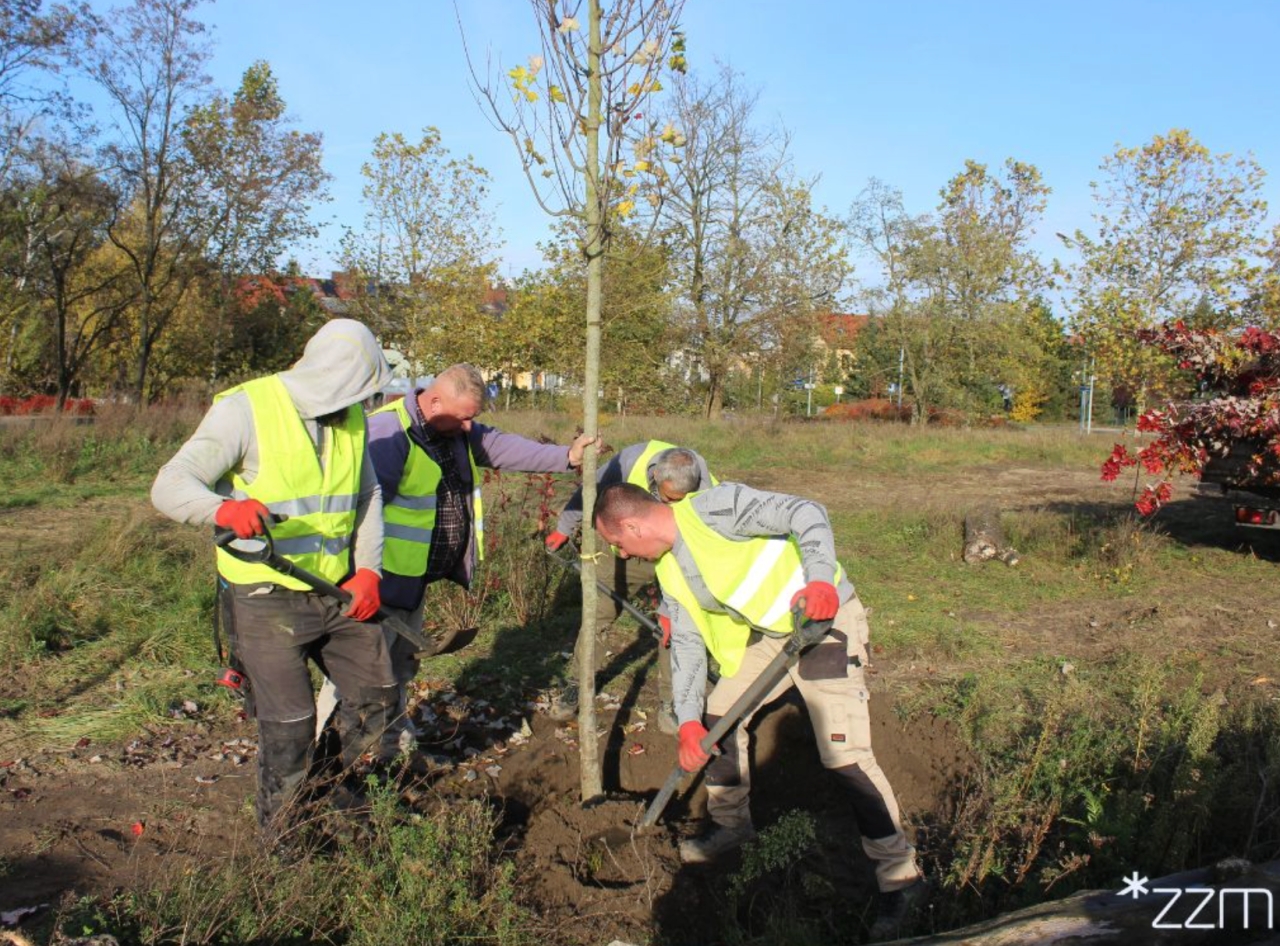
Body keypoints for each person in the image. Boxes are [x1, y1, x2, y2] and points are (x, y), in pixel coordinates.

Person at [592, 481, 928, 938]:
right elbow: (687, 645)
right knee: (717, 721)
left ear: (632, 524)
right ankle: (732, 827)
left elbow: (807, 509)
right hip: (774, 637)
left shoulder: (715, 509)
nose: (623, 555)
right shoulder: (669, 570)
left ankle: (901, 878)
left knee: (845, 756)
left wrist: (818, 578)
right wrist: (689, 721)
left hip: (825, 622)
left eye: (618, 543)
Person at [151, 319, 398, 839]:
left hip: (336, 591)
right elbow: (170, 486)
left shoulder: (351, 416)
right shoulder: (245, 408)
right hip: (265, 594)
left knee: (378, 699)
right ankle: (282, 837)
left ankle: (322, 790)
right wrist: (223, 511)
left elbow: (367, 496)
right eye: (358, 388)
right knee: (289, 727)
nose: (363, 400)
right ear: (332, 377)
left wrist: (370, 570)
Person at [316, 363, 597, 754]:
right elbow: (358, 513)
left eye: (473, 418)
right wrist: (358, 577)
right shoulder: (389, 432)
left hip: (410, 577)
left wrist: (567, 456)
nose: (470, 426)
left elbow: (502, 447)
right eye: (465, 417)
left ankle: (390, 748)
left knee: (397, 667)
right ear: (434, 401)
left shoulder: (453, 428)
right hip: (371, 580)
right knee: (354, 673)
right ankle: (322, 757)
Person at [545, 442, 715, 732]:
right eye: (669, 497)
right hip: (622, 550)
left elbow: (700, 552)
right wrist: (564, 527)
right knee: (597, 614)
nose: (672, 505)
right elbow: (591, 488)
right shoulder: (631, 461)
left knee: (674, 626)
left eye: (679, 500)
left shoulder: (706, 490)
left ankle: (671, 702)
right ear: (656, 479)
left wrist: (667, 609)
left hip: (676, 553)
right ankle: (577, 684)